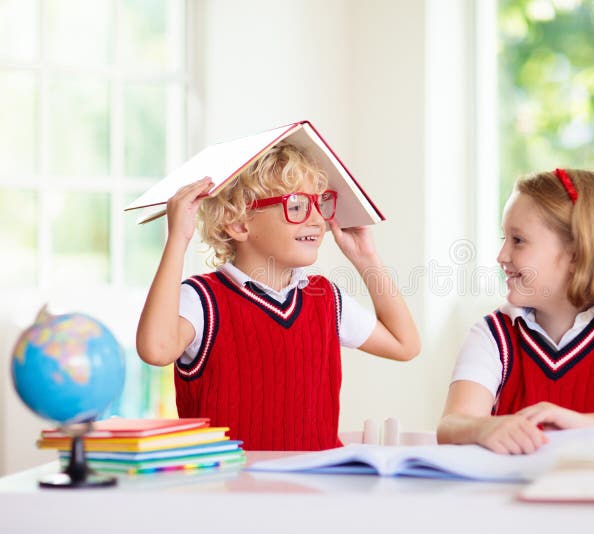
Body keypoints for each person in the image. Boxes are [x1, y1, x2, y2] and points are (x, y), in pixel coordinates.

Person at [136, 142, 420, 451]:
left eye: (319, 204)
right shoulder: (203, 300)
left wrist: (367, 259)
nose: (317, 219)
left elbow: (404, 344)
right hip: (229, 494)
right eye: (296, 205)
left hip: (316, 490)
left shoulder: (325, 298)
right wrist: (178, 238)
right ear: (239, 223)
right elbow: (157, 349)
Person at [437, 168, 594, 454]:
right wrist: (482, 427)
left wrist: (584, 426)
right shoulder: (493, 334)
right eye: (503, 239)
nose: (502, 256)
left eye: (518, 240)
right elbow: (451, 425)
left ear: (577, 253)